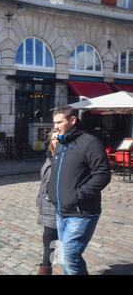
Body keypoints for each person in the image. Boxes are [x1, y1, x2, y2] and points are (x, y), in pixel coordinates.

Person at [46, 106, 111, 275]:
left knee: (68, 257)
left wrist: (78, 195)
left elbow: (102, 174)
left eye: (60, 122)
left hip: (81, 212)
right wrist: (50, 190)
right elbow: (56, 171)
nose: (56, 126)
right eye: (54, 122)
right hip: (61, 212)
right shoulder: (60, 143)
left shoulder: (90, 142)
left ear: (72, 120)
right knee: (66, 257)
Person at [36, 130, 59, 275]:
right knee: (48, 242)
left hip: (58, 207)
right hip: (47, 206)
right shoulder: (50, 156)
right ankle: (45, 270)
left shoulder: (65, 157)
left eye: (58, 137)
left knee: (69, 251)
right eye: (53, 138)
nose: (55, 140)